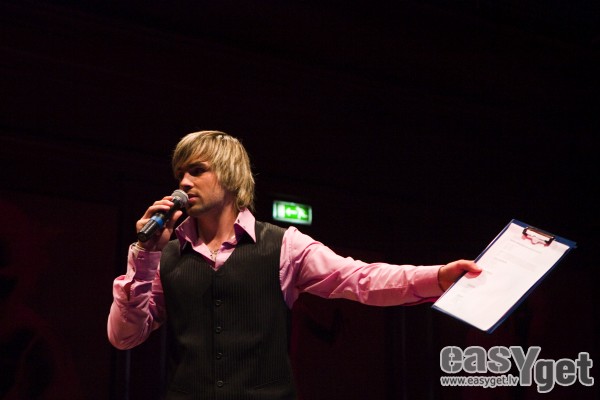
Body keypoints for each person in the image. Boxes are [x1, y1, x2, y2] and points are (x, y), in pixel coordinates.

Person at [107, 130, 481, 399]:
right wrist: (145, 254)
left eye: (197, 170)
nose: (184, 183)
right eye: (181, 174)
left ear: (231, 176)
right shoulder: (166, 255)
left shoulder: (283, 245)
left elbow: (361, 279)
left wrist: (437, 277)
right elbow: (124, 337)